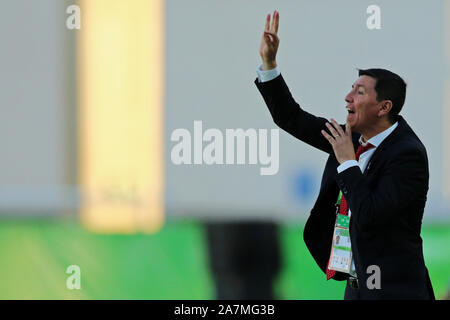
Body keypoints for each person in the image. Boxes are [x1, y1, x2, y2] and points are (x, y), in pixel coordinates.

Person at [254, 10, 435, 300]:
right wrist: (269, 63)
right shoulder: (349, 137)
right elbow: (291, 117)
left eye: (359, 92)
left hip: (394, 291)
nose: (348, 97)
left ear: (384, 107)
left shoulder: (408, 155)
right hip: (357, 288)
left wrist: (348, 162)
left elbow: (371, 216)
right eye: (351, 89)